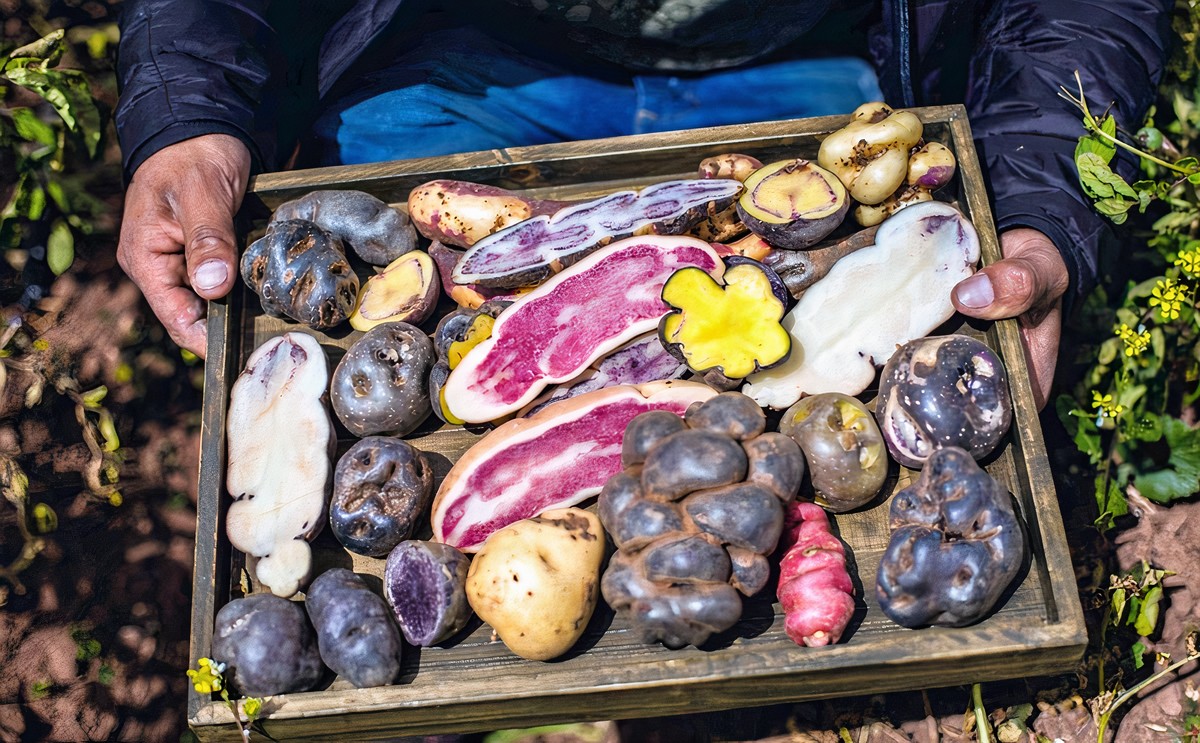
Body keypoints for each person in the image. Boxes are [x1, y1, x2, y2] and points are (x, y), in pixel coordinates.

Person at [113, 0, 1174, 409]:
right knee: (374, 357)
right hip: (469, 48)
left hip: (812, 61)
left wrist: (1035, 199)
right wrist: (192, 116)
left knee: (832, 383)